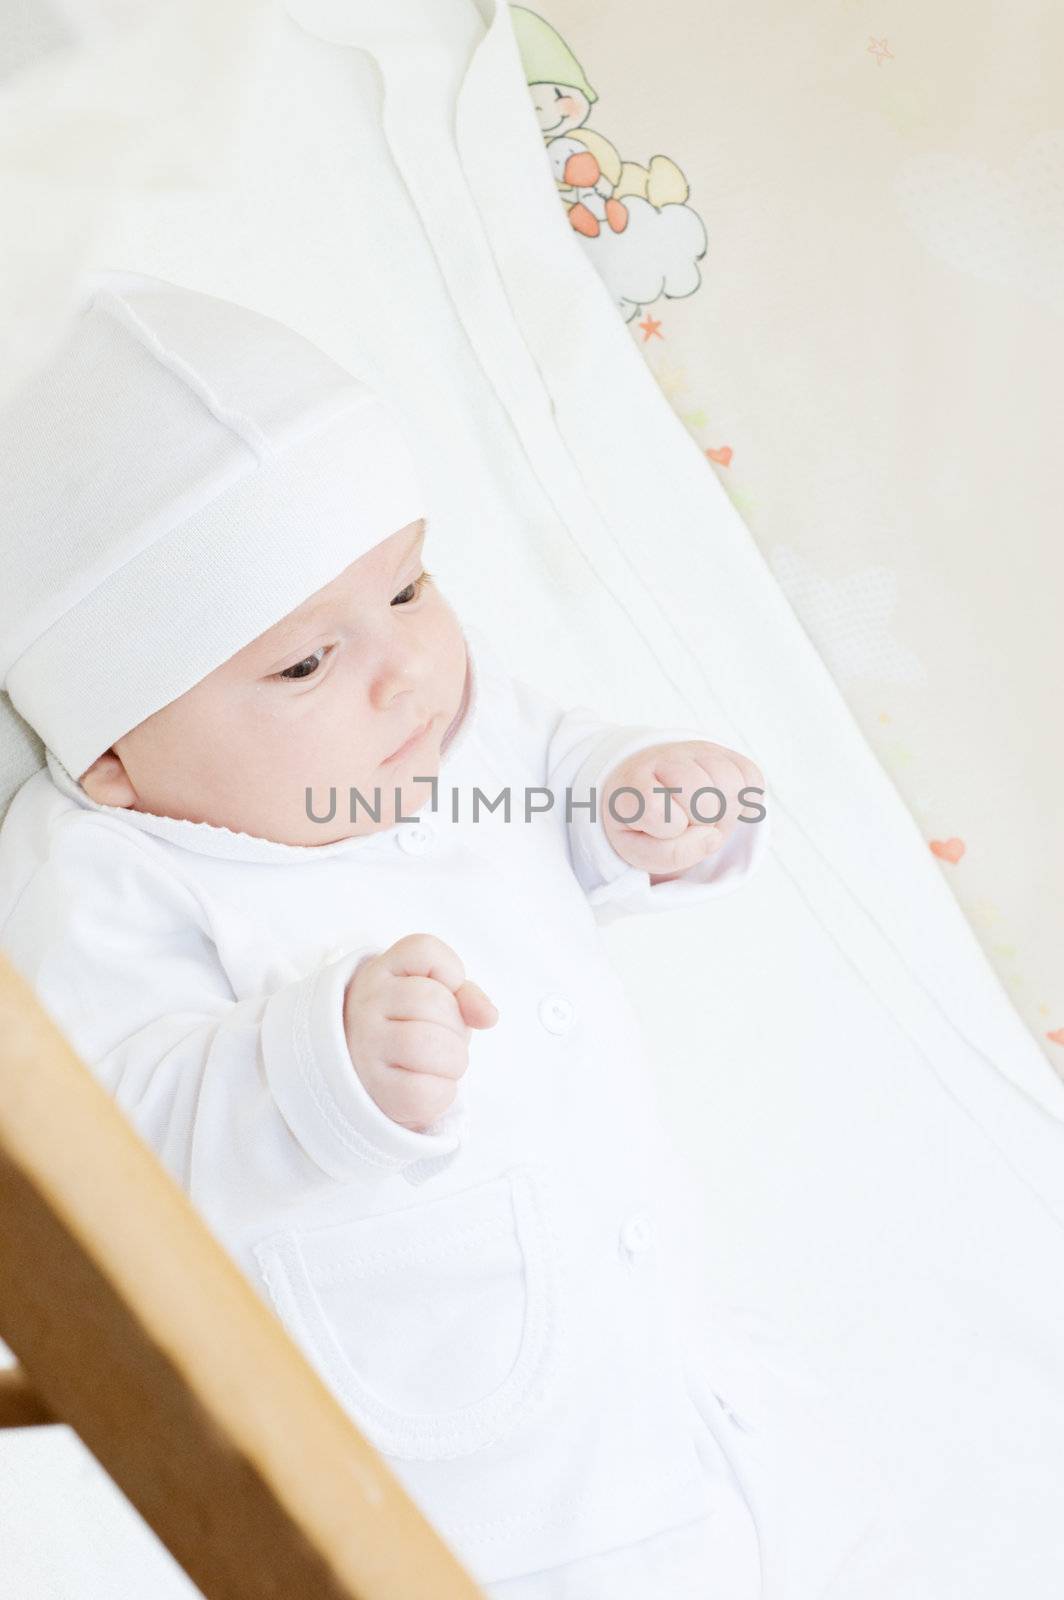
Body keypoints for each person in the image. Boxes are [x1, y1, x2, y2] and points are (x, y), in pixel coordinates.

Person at [0, 272, 782, 1597]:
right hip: (466, 1477)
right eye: (304, 663)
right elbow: (102, 1137)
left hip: (671, 1392)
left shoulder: (448, 724)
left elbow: (548, 766)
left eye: (412, 586)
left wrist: (638, 794)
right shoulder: (110, 873)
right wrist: (311, 1065)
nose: (402, 668)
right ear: (119, 752)